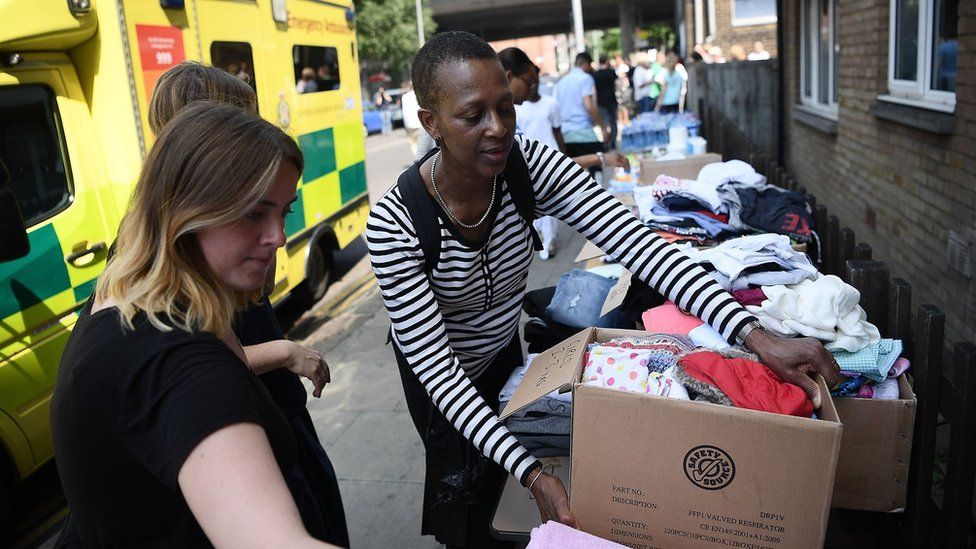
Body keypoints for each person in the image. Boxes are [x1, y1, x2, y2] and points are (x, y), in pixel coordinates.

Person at [366, 30, 839, 549]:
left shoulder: (524, 165)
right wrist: (533, 473)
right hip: (441, 383)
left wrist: (756, 336)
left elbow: (640, 245)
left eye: (506, 107)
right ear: (430, 122)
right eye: (473, 115)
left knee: (512, 491)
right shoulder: (396, 224)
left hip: (502, 352)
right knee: (467, 501)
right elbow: (438, 372)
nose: (498, 128)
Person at [52, 103, 341, 548]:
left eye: (283, 212)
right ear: (187, 210)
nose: (279, 236)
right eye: (253, 213)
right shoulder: (175, 358)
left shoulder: (130, 296)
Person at [140, 61, 351, 547]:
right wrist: (283, 351)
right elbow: (196, 359)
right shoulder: (164, 271)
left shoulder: (214, 251)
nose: (276, 237)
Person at [553, 52, 607, 161]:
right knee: (596, 171)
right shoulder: (585, 78)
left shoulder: (560, 83)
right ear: (586, 63)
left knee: (574, 175)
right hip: (584, 133)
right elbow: (589, 105)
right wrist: (603, 127)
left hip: (566, 135)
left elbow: (556, 109)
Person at [592, 55, 620, 148]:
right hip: (612, 100)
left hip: (601, 102)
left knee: (605, 123)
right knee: (613, 122)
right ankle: (613, 142)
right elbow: (618, 84)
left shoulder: (595, 74)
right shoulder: (611, 72)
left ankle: (606, 142)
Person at [401, 80, 423, 156]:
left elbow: (404, 112)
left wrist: (405, 125)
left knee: (413, 143)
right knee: (423, 143)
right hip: (421, 123)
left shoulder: (405, 97)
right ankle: (422, 158)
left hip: (410, 124)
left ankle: (417, 158)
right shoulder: (418, 95)